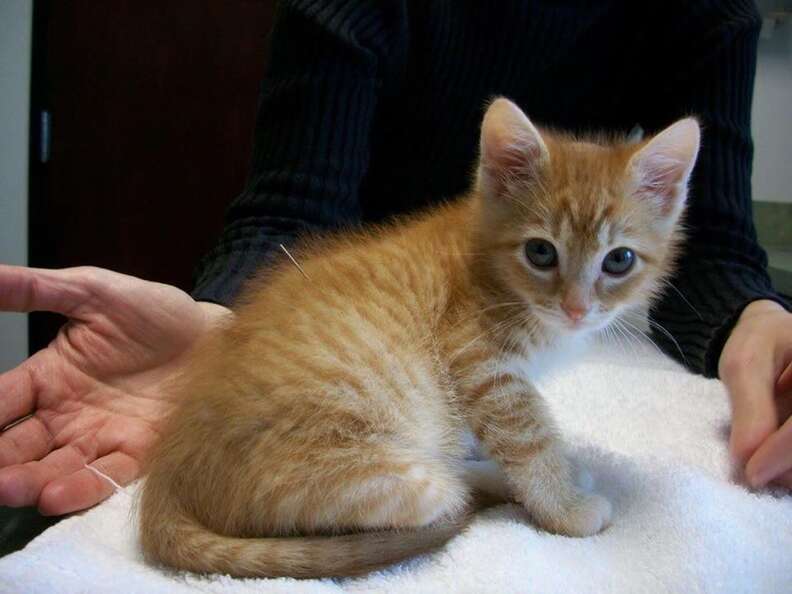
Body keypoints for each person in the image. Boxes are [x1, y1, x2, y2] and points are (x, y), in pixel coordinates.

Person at [0, 0, 790, 517]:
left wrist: (759, 318)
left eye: (610, 271)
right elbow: (291, 207)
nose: (579, 305)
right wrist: (234, 331)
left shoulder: (704, 13)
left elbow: (714, 247)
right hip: (376, 317)